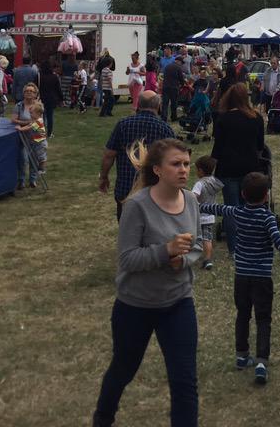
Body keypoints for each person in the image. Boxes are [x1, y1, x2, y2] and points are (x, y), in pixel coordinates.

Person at [92, 138, 202, 427]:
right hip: (135, 306)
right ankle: (103, 417)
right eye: (175, 164)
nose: (183, 170)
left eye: (186, 164)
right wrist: (165, 251)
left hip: (178, 303)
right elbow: (127, 259)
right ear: (157, 170)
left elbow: (198, 246)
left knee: (185, 380)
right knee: (124, 368)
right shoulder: (137, 206)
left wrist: (184, 260)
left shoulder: (191, 200)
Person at [200, 171, 280, 384]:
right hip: (262, 277)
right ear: (266, 196)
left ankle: (242, 356)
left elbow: (213, 208)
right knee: (264, 318)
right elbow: (277, 240)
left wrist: (192, 204)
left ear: (242, 194)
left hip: (241, 277)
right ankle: (262, 361)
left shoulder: (236, 212)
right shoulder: (268, 218)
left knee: (243, 315)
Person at [99, 91, 176, 219]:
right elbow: (173, 161)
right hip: (154, 192)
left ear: (138, 105)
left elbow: (109, 154)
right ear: (158, 106)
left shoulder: (123, 125)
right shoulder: (165, 129)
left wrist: (104, 176)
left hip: (125, 189)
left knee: (126, 232)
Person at [210, 83, 265, 255]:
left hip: (227, 168)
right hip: (249, 167)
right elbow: (259, 145)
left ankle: (234, 248)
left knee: (231, 208)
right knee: (249, 206)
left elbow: (217, 148)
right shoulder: (256, 118)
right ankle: (250, 242)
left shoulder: (223, 119)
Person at [191, 156, 223, 270]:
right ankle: (208, 259)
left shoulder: (199, 184)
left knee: (194, 237)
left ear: (200, 170)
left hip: (199, 216)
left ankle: (192, 255)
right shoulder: (214, 181)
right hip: (210, 216)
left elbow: (193, 197)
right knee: (207, 238)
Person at [13, 84, 43, 189]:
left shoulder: (38, 106)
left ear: (35, 94)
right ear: (23, 93)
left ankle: (33, 180)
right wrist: (27, 122)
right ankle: (21, 180)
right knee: (23, 159)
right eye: (26, 91)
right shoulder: (19, 105)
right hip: (22, 137)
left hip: (35, 137)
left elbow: (40, 121)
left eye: (31, 91)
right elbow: (14, 120)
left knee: (34, 159)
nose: (29, 93)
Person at [16, 102, 48, 183]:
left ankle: (42, 168)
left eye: (32, 113)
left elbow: (29, 127)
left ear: (38, 113)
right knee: (36, 156)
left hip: (41, 143)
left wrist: (20, 129)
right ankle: (39, 167)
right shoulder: (34, 120)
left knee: (41, 157)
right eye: (30, 112)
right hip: (36, 142)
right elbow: (29, 125)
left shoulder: (39, 121)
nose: (30, 114)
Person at [38, 61, 63, 138]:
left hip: (41, 98)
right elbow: (58, 89)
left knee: (42, 116)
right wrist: (61, 98)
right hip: (51, 99)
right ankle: (49, 133)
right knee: (50, 116)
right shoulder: (54, 77)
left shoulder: (39, 76)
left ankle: (42, 132)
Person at [161, 55, 186, 122]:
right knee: (174, 103)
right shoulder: (178, 68)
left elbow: (164, 76)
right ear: (178, 61)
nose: (181, 64)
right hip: (174, 87)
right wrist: (182, 85)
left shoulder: (167, 66)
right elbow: (181, 79)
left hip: (165, 86)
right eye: (181, 63)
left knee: (165, 103)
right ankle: (173, 117)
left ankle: (164, 117)